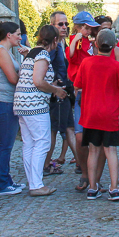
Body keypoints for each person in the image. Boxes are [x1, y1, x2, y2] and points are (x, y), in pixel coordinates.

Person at [73, 29, 119, 200]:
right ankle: (114, 188)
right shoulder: (117, 66)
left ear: (96, 44)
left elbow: (77, 85)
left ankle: (92, 188)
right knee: (110, 151)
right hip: (109, 114)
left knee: (93, 151)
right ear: (114, 47)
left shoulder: (86, 63)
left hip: (90, 113)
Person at [13, 25, 67, 197]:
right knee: (42, 142)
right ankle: (36, 185)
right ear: (55, 40)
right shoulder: (43, 55)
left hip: (22, 103)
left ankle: (33, 182)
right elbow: (38, 81)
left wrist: (52, 86)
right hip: (35, 104)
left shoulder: (31, 53)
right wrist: (56, 90)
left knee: (29, 143)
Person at [0, 20, 28, 196]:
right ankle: (2, 184)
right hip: (4, 102)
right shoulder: (1, 52)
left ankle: (7, 180)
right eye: (18, 34)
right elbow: (13, 79)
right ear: (9, 35)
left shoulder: (7, 52)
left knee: (8, 144)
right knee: (5, 145)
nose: (20, 37)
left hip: (7, 101)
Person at [67, 11, 101, 191]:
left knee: (96, 137)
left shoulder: (89, 42)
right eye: (86, 28)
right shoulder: (76, 40)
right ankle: (85, 171)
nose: (89, 31)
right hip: (80, 87)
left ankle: (94, 176)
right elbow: (71, 57)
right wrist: (76, 40)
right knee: (80, 136)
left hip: (91, 86)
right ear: (79, 27)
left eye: (89, 28)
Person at [44, 11, 76, 177]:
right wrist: (55, 84)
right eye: (60, 24)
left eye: (66, 24)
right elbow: (46, 66)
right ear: (52, 26)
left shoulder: (62, 44)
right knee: (54, 130)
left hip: (64, 91)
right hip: (56, 94)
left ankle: (81, 163)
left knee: (69, 128)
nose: (64, 27)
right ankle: (46, 164)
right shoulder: (53, 46)